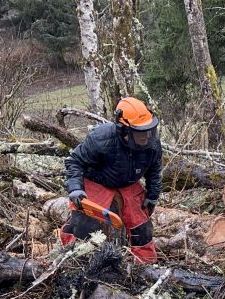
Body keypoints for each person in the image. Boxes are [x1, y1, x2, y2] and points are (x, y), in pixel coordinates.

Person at [60, 97, 162, 264]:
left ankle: (146, 265)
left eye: (148, 130)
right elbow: (75, 162)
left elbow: (154, 170)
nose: (145, 136)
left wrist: (153, 194)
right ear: (124, 130)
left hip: (128, 183)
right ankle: (71, 258)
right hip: (98, 180)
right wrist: (75, 189)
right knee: (85, 223)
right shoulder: (101, 139)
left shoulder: (152, 144)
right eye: (139, 132)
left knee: (141, 226)